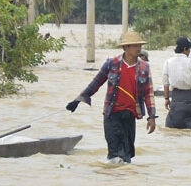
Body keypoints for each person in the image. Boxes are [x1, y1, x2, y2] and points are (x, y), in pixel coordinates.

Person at [65, 31, 156, 163]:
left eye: (139, 46)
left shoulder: (144, 67)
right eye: (135, 46)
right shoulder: (111, 64)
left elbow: (148, 93)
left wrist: (151, 117)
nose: (138, 49)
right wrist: (79, 99)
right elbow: (96, 83)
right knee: (114, 154)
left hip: (130, 115)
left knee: (127, 154)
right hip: (112, 114)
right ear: (126, 48)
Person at [163, 37, 191, 131]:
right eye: (189, 49)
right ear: (185, 49)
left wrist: (167, 99)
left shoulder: (168, 62)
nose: (190, 52)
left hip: (175, 100)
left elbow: (166, 83)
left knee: (172, 129)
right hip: (189, 99)